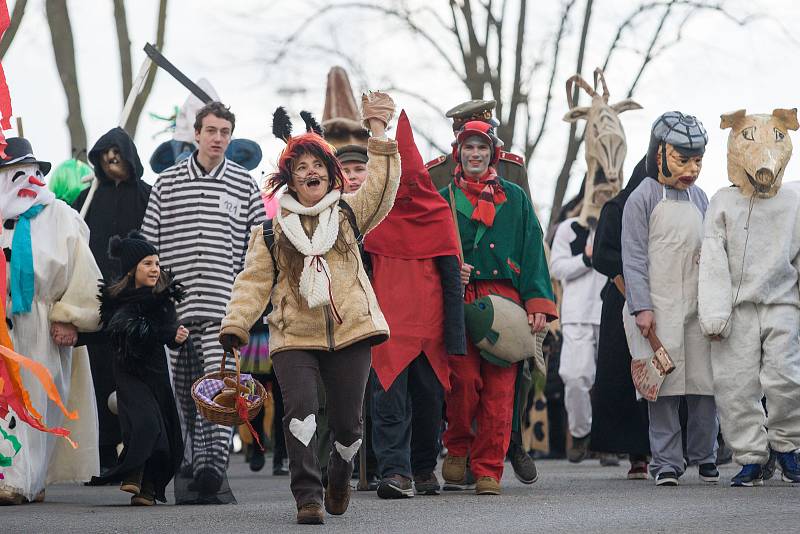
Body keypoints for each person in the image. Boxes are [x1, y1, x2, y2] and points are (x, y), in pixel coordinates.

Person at [219, 93, 399, 525]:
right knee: (299, 414)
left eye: (317, 164)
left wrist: (377, 132)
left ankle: (340, 476)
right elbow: (253, 281)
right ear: (290, 180)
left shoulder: (350, 213)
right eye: (301, 168)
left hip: (351, 328)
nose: (311, 172)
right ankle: (308, 497)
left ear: (330, 173)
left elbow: (381, 187)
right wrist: (236, 324)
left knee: (349, 426)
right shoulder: (271, 230)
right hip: (293, 334)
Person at [140, 101, 266, 504]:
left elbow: (259, 250)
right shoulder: (168, 182)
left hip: (223, 310)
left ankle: (213, 466)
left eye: (224, 132)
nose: (217, 138)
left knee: (218, 391)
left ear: (231, 135)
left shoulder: (245, 184)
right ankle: (189, 461)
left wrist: (250, 305)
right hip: (174, 311)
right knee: (179, 396)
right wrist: (153, 303)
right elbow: (148, 246)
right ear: (196, 133)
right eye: (210, 130)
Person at [439, 120, 557, 495]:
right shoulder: (443, 199)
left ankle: (489, 467)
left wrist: (537, 303)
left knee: (501, 389)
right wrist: (449, 273)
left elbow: (533, 250)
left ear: (493, 153)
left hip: (506, 301)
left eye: (482, 148)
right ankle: (457, 448)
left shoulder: (516, 198)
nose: (476, 154)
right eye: (469, 147)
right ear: (459, 152)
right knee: (463, 382)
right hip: (461, 299)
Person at [364, 111, 465, 499]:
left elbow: (451, 280)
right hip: (386, 329)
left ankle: (423, 468)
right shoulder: (375, 218)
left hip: (430, 329)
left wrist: (454, 336)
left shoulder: (438, 214)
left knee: (428, 403)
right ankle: (395, 471)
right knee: (388, 403)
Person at [699, 108, 800, 486]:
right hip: (737, 309)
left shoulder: (793, 203)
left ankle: (788, 447)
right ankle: (751, 455)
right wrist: (713, 312)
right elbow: (712, 257)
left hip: (782, 302)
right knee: (735, 383)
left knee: (786, 378)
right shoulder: (722, 202)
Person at [0, 137, 102, 505]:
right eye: (11, 174)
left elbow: (84, 271)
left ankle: (27, 478)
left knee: (34, 399)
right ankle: (14, 477)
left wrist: (71, 316)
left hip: (40, 324)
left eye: (27, 172)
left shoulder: (59, 215)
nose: (23, 181)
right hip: (1, 322)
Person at [621, 112, 719, 486]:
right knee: (660, 390)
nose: (691, 169)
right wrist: (641, 307)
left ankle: (705, 456)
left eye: (697, 160)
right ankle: (666, 462)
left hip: (696, 309)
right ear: (659, 153)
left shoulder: (701, 198)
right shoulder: (641, 198)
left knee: (703, 386)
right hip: (657, 311)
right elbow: (632, 256)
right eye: (682, 159)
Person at [87, 231, 187, 505]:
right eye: (147, 264)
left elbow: (167, 332)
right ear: (132, 269)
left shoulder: (162, 300)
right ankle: (133, 472)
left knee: (162, 435)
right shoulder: (115, 301)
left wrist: (176, 338)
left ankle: (147, 489)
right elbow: (108, 331)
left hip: (155, 373)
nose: (155, 269)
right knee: (145, 423)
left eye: (156, 263)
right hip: (128, 372)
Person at [73, 127, 151, 474]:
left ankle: (138, 451)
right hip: (98, 300)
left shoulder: (148, 197)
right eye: (105, 154)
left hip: (137, 301)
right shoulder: (85, 201)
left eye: (117, 153)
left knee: (136, 376)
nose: (112, 159)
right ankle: (105, 454)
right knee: (101, 376)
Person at [590, 156, 651, 478]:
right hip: (622, 298)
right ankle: (636, 453)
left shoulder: (666, 206)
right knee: (627, 378)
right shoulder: (617, 208)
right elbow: (601, 255)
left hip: (663, 298)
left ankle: (669, 448)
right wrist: (636, 266)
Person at [549, 191, 608, 464]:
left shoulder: (617, 220)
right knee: (574, 376)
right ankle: (581, 432)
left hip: (612, 311)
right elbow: (557, 268)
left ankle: (612, 441)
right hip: (578, 314)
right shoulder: (568, 228)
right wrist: (585, 259)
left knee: (612, 382)